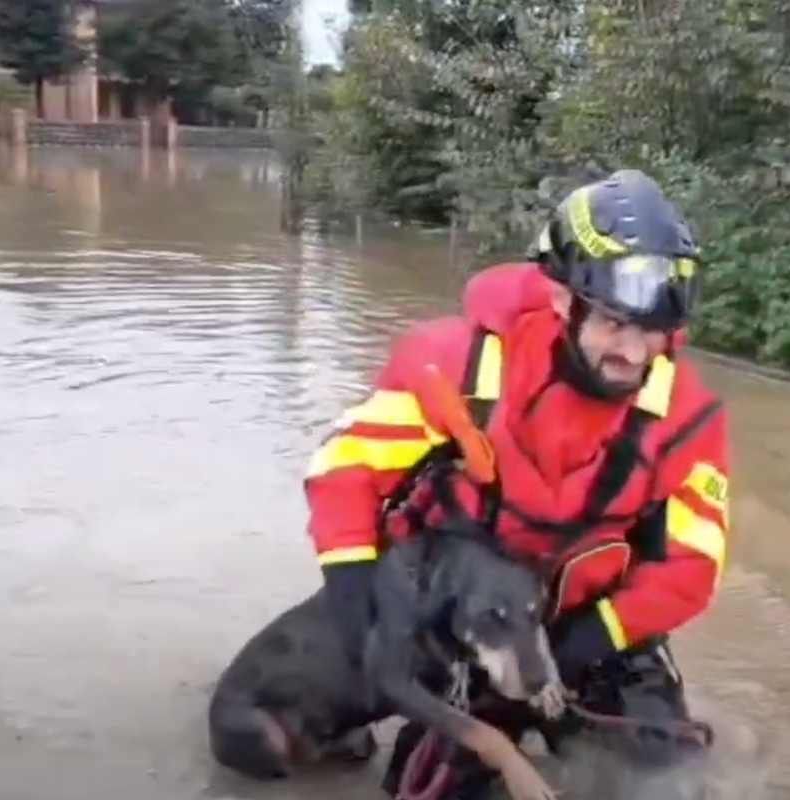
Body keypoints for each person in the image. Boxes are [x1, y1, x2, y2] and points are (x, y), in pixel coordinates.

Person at [303, 169, 732, 795]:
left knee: (667, 779)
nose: (635, 354)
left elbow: (693, 568)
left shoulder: (690, 417)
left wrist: (585, 640)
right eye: (615, 323)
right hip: (470, 620)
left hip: (594, 627)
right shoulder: (456, 365)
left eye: (651, 332)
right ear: (563, 299)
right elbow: (344, 468)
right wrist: (354, 595)